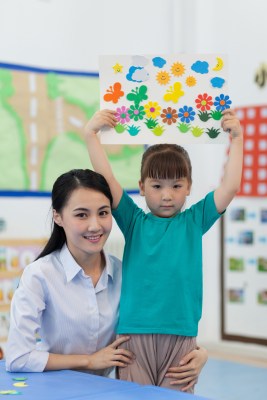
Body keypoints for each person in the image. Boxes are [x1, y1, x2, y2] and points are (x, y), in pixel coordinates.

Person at [84, 108, 243, 392]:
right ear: (142, 187)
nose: (167, 194)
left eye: (176, 185)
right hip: (134, 336)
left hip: (181, 336)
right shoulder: (133, 220)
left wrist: (238, 138)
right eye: (157, 186)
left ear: (188, 187)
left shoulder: (194, 220)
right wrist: (90, 135)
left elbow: (230, 187)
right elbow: (106, 177)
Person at [5, 169, 207, 390]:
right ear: (58, 216)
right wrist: (89, 360)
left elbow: (160, 323)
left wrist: (200, 353)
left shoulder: (125, 274)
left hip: (106, 389)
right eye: (81, 215)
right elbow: (18, 357)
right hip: (52, 389)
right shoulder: (39, 275)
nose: (95, 226)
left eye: (103, 213)